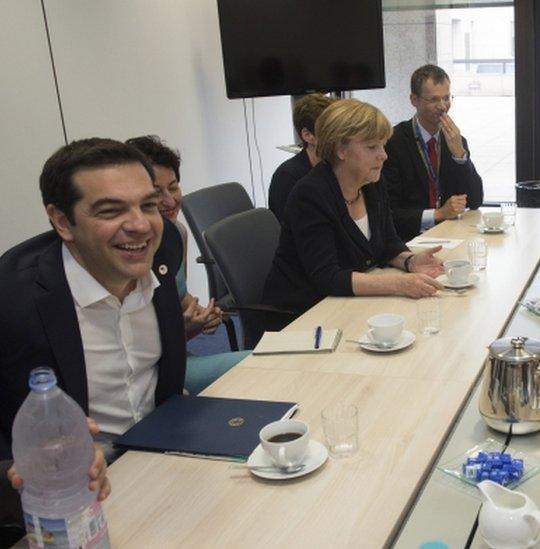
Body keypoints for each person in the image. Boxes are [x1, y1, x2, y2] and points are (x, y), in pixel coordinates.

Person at [0, 138, 186, 533]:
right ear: (63, 221)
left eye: (148, 204)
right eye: (111, 210)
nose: (140, 224)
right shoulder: (12, 300)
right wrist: (21, 466)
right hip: (78, 499)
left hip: (164, 457)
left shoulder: (164, 244)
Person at [263, 99, 445, 324]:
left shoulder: (372, 182)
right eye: (372, 147)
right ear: (341, 149)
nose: (383, 155)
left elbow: (388, 243)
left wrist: (411, 261)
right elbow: (327, 277)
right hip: (303, 316)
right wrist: (399, 284)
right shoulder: (309, 194)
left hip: (348, 305)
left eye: (383, 145)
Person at [126, 136, 250, 394]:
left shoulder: (175, 234)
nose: (170, 201)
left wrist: (202, 314)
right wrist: (182, 328)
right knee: (263, 368)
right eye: (155, 193)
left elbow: (178, 296)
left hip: (179, 353)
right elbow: (133, 349)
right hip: (152, 370)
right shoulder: (126, 253)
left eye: (173, 187)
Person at [382, 64, 484, 241]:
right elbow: (389, 212)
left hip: (450, 234)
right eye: (434, 100)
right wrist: (437, 214)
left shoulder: (454, 140)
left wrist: (460, 156)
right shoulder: (393, 142)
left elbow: (476, 200)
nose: (443, 106)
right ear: (414, 100)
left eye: (446, 98)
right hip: (409, 239)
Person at [268, 94, 337, 221]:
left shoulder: (336, 167)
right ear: (308, 135)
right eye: (331, 130)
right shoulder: (287, 176)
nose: (340, 137)